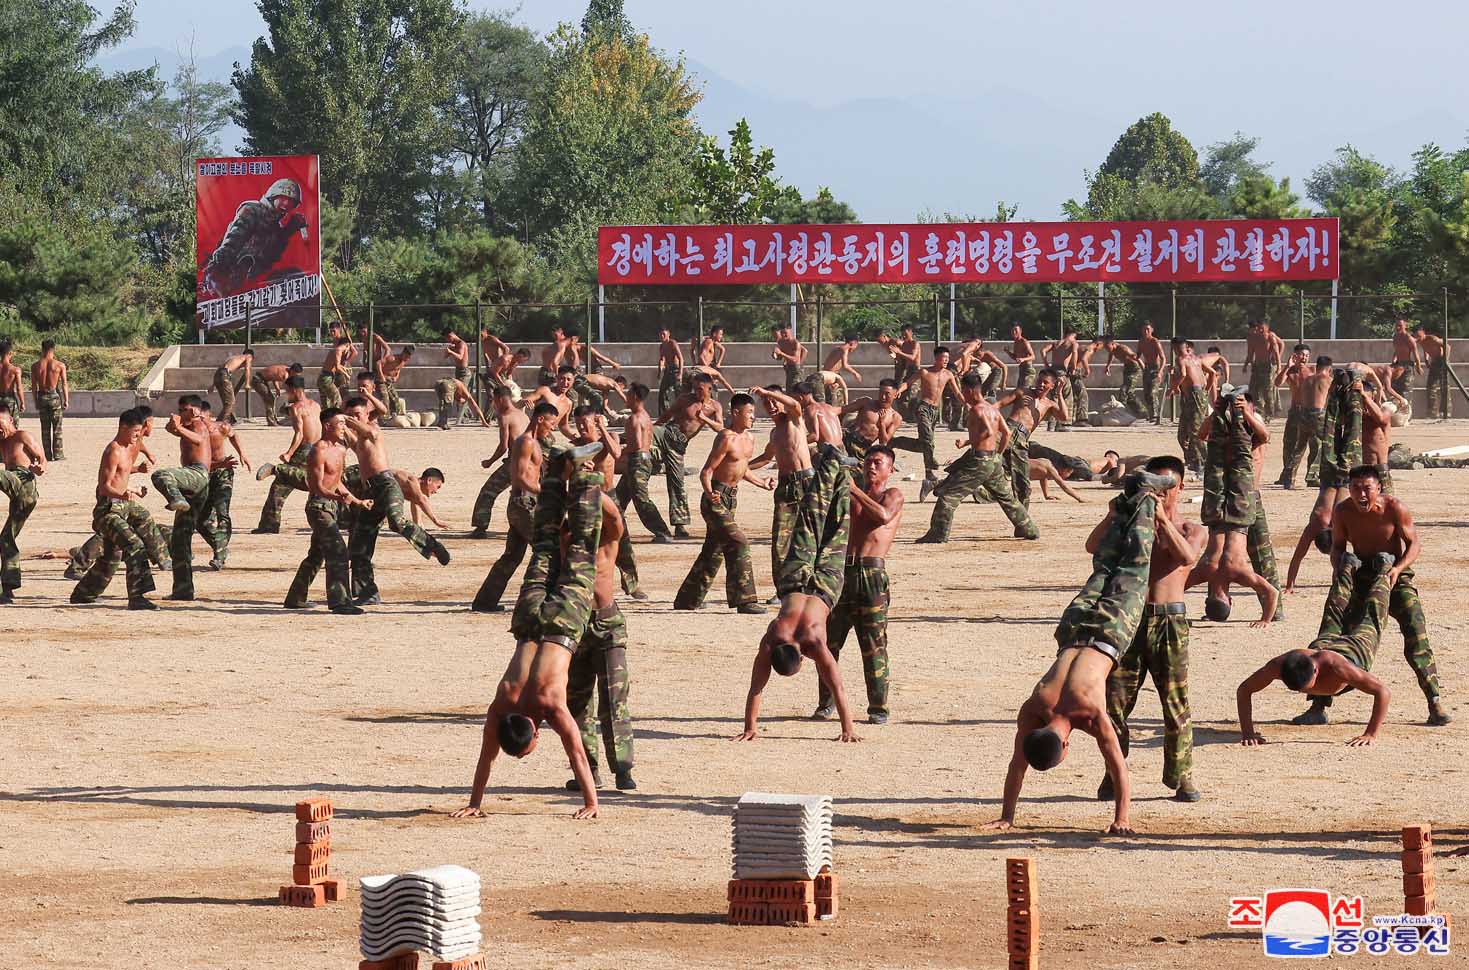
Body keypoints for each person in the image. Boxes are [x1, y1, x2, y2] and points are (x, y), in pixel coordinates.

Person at [980, 467, 1179, 835]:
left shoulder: (1088, 713)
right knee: (1104, 567)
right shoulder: (1032, 709)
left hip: (1109, 632)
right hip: (1073, 628)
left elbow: (1118, 765)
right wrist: (1007, 815)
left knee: (1134, 564)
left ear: (1066, 746)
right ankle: (1127, 500)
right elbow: (1016, 764)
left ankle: (1146, 497)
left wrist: (1122, 819)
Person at [451, 441, 611, 822]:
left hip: (562, 624)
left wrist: (591, 803)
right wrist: (475, 800)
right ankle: (555, 473)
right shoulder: (500, 706)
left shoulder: (549, 705)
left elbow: (576, 752)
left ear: (535, 734)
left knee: (581, 547)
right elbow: (486, 758)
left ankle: (585, 475)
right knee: (544, 545)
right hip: (528, 620)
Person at [1292, 465, 1449, 727]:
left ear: (1378, 488)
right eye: (1355, 488)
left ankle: (1434, 702)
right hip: (1362, 577)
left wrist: (1398, 569)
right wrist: (1340, 571)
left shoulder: (1394, 508)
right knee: (1333, 635)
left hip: (1394, 577)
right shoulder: (1343, 511)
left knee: (1416, 635)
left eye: (1367, 488)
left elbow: (1414, 543)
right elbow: (1338, 547)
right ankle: (1318, 705)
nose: (1361, 494)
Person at [1099, 455, 1205, 803]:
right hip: (1129, 617)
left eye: (1166, 486)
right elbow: (1092, 547)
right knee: (1114, 703)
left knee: (1175, 704)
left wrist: (1161, 519)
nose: (1160, 492)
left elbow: (1187, 557)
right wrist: (1116, 513)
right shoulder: (1132, 524)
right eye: (1154, 485)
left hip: (1169, 620)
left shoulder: (1191, 529)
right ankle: (1114, 774)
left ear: (1180, 487)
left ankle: (1182, 775)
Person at [1236, 549, 1396, 747]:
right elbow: (1244, 690)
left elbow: (1382, 692)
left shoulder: (1340, 668)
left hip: (1354, 651)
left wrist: (1370, 734)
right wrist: (1247, 732)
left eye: (1308, 686)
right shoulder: (1277, 665)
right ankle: (1348, 565)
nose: (1306, 691)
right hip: (1323, 646)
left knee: (1372, 615)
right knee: (1333, 611)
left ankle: (1383, 569)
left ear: (1316, 670)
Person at [816, 445, 902, 725]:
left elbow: (883, 516)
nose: (871, 467)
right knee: (828, 643)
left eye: (878, 463)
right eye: (868, 462)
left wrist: (854, 490)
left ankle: (878, 708)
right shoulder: (850, 494)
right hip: (842, 573)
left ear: (890, 469)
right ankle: (826, 703)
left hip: (871, 575)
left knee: (873, 644)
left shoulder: (892, 495)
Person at [565, 459, 638, 792]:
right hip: (575, 625)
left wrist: (590, 482)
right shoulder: (565, 540)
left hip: (607, 624)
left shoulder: (607, 541)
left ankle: (622, 768)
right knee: (577, 703)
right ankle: (588, 771)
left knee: (614, 699)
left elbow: (615, 517)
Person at [341, 396, 451, 606]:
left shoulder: (373, 430)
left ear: (366, 414)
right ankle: (367, 593)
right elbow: (349, 438)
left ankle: (433, 546)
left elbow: (419, 499)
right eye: (351, 414)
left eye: (357, 415)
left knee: (396, 521)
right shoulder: (360, 440)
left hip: (386, 485)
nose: (354, 418)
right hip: (369, 492)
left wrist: (345, 418)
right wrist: (338, 420)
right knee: (359, 545)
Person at [672, 392, 771, 614]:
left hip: (731, 499)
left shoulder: (750, 439)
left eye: (753, 413)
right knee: (739, 542)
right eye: (749, 413)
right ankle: (745, 600)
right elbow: (706, 471)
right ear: (736, 413)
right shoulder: (726, 438)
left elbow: (742, 469)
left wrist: (762, 483)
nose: (752, 417)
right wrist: (710, 493)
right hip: (715, 497)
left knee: (713, 550)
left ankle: (687, 600)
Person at [1187, 390, 1279, 625]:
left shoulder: (1236, 572)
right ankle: (1226, 413)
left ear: (1229, 599)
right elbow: (1174, 588)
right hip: (1218, 516)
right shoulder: (1204, 572)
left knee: (1233, 454)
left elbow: (1271, 593)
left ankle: (1226, 413)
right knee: (1221, 457)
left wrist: (1265, 619)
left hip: (1237, 514)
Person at [916, 373, 1039, 542]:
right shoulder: (992, 409)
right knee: (1007, 498)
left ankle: (938, 534)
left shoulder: (977, 410)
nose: (963, 395)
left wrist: (969, 442)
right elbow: (1007, 433)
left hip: (979, 461)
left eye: (963, 391)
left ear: (969, 390)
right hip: (992, 460)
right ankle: (1029, 529)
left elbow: (988, 431)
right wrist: (998, 454)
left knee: (948, 497)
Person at [284, 408, 375, 614]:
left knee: (316, 555)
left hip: (332, 506)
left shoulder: (341, 449)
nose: (344, 427)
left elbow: (337, 481)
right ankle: (340, 602)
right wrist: (338, 498)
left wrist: (356, 501)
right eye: (340, 423)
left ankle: (295, 598)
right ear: (327, 426)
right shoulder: (318, 451)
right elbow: (316, 486)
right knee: (338, 550)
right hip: (318, 507)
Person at [471, 402, 558, 612]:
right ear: (540, 419)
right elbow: (518, 477)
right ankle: (542, 601)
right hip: (524, 504)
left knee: (512, 556)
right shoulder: (525, 442)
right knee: (548, 551)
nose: (553, 428)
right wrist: (545, 491)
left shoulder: (536, 443)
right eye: (551, 423)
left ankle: (485, 602)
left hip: (524, 504)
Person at [65, 406, 170, 579]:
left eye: (140, 431)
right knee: (107, 536)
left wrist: (139, 470)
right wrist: (121, 494)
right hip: (109, 502)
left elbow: (123, 471)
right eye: (135, 431)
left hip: (123, 500)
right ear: (123, 427)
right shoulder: (113, 451)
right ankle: (76, 567)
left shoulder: (129, 445)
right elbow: (104, 486)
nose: (138, 435)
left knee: (144, 518)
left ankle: (164, 559)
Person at [151, 396, 219, 601]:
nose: (182, 413)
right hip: (195, 482)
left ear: (195, 411)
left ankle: (175, 498)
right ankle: (183, 589)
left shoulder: (199, 425)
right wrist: (174, 425)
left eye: (185, 410)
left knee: (161, 475)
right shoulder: (188, 425)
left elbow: (199, 440)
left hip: (197, 474)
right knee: (180, 539)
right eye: (180, 409)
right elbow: (171, 430)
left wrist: (179, 427)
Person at [654, 374, 724, 539]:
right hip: (667, 433)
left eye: (700, 389)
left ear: (709, 388)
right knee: (645, 435)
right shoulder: (685, 399)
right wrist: (651, 428)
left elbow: (720, 428)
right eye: (695, 388)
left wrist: (704, 418)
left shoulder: (715, 406)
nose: (696, 392)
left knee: (677, 483)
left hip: (679, 445)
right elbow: (666, 416)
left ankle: (680, 525)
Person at [252, 376, 321, 534]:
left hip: (304, 449)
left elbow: (300, 433)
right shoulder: (315, 405)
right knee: (316, 484)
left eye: (287, 391)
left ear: (294, 390)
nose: (285, 394)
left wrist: (289, 453)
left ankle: (270, 524)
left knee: (280, 485)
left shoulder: (297, 408)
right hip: (318, 448)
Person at [993, 368, 1069, 510]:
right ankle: (952, 478)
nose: (1041, 385)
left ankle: (1020, 512)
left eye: (1045, 382)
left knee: (1019, 474)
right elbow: (998, 405)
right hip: (1009, 430)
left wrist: (1059, 393)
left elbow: (1064, 417)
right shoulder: (1023, 392)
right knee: (981, 456)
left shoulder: (1049, 404)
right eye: (1039, 381)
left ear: (1052, 386)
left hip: (1022, 439)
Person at [892, 346, 960, 501]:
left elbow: (957, 392)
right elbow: (908, 383)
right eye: (943, 357)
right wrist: (900, 390)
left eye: (947, 358)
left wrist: (968, 404)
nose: (946, 360)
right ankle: (929, 475)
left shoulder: (948, 374)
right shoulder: (924, 372)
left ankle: (896, 442)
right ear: (936, 358)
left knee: (924, 444)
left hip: (935, 412)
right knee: (928, 441)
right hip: (923, 408)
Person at [468, 385, 532, 539]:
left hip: (515, 463)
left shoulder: (505, 416)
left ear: (501, 399)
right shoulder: (523, 415)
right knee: (524, 495)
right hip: (530, 462)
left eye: (494, 400)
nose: (494, 404)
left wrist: (489, 462)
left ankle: (480, 527)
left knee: (488, 492)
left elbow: (503, 447)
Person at [614, 382, 673, 546]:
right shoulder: (645, 416)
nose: (625, 397)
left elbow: (637, 445)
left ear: (634, 396)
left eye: (628, 394)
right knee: (619, 498)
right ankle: (611, 530)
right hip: (642, 460)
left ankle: (663, 532)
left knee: (641, 499)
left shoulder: (634, 419)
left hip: (637, 461)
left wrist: (620, 450)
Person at [0, 405, 45, 602]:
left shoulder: (22, 436)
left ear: (10, 420)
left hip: (24, 483)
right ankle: (8, 587)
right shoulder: (1, 442)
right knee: (6, 539)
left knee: (7, 475)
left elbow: (42, 459)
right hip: (15, 495)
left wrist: (40, 467)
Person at [198, 404, 250, 571]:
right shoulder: (194, 434)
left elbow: (233, 435)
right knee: (201, 521)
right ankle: (221, 547)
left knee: (222, 513)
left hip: (223, 474)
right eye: (196, 418)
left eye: (202, 417)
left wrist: (242, 453)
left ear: (209, 415)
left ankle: (219, 556)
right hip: (205, 474)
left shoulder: (221, 427)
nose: (199, 421)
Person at [1276, 348, 1328, 489]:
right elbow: (1277, 383)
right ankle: (1287, 475)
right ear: (1295, 356)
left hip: (1309, 411)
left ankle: (1312, 476)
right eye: (1302, 355)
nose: (1304, 358)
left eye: (1307, 355)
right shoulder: (1290, 372)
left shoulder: (1312, 371)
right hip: (1295, 411)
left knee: (1314, 444)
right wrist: (1287, 366)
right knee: (1289, 443)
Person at [1167, 340, 1210, 477]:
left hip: (1194, 396)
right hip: (1193, 396)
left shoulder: (1181, 359)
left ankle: (1205, 463)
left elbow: (1183, 374)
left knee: (1196, 432)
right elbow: (1212, 373)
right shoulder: (1195, 359)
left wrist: (1172, 388)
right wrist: (1205, 390)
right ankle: (1193, 460)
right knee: (1183, 434)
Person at [842, 381, 903, 459]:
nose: (883, 397)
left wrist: (882, 423)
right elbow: (841, 410)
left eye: (887, 394)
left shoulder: (896, 417)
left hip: (862, 448)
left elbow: (883, 442)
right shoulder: (867, 403)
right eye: (881, 393)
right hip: (848, 438)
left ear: (895, 395)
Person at [29, 339, 67, 460]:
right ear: (53, 349)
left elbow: (34, 386)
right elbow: (64, 384)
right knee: (57, 428)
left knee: (45, 429)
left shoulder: (35, 366)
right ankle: (58, 454)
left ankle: (47, 455)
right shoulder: (59, 365)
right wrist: (66, 400)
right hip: (54, 396)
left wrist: (35, 401)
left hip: (42, 396)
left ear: (42, 349)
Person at [1040, 327, 1080, 430]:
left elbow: (1043, 351)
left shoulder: (1056, 343)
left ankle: (1051, 424)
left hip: (1052, 372)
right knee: (1067, 397)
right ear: (1073, 334)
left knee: (1054, 398)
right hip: (1062, 372)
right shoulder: (1072, 343)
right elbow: (1075, 353)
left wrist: (1046, 364)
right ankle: (1064, 423)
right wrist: (1073, 368)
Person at [1243, 319, 1284, 420]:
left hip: (1268, 366)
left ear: (1266, 328)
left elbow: (1277, 351)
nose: (1260, 330)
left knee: (1268, 390)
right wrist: (1246, 365)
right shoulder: (1252, 338)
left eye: (1262, 328)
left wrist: (1278, 366)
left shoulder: (1270, 336)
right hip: (1257, 365)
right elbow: (1250, 353)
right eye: (1259, 328)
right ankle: (1257, 411)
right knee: (1253, 389)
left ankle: (1269, 414)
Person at [1099, 336, 1144, 418]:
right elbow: (1111, 355)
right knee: (1126, 393)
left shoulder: (1123, 348)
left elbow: (1136, 357)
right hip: (1127, 368)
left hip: (1134, 369)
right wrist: (1108, 366)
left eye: (1108, 347)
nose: (1107, 349)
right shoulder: (1112, 350)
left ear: (1113, 344)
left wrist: (1144, 370)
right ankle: (1128, 411)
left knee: (1126, 391)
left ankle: (1141, 412)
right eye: (1106, 348)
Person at [813, 334, 862, 406]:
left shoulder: (838, 348)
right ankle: (845, 406)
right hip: (830, 376)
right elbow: (845, 365)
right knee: (834, 400)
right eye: (856, 346)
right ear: (853, 343)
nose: (854, 349)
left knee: (830, 399)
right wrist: (855, 373)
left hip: (828, 375)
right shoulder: (844, 349)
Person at [1414, 323, 1450, 420]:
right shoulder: (1420, 341)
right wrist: (1426, 360)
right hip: (1434, 361)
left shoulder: (1433, 338)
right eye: (1416, 336)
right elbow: (1425, 349)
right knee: (1430, 387)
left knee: (1444, 387)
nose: (1418, 338)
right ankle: (1433, 412)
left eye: (1419, 335)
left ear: (1423, 332)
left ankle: (1446, 411)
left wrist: (1445, 360)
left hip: (1442, 360)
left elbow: (1447, 346)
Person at [249, 361, 299, 426]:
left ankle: (273, 420)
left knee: (271, 399)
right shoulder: (285, 375)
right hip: (257, 381)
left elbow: (274, 378)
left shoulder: (285, 368)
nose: (295, 376)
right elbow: (287, 387)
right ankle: (271, 421)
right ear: (292, 371)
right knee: (269, 400)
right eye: (295, 374)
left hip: (261, 380)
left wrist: (277, 389)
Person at [211, 349, 253, 421]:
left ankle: (232, 420)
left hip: (218, 375)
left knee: (227, 401)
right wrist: (247, 384)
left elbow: (220, 369)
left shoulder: (233, 358)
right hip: (225, 375)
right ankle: (219, 422)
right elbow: (247, 369)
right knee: (230, 402)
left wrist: (213, 385)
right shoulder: (248, 356)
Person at [1138, 322, 1167, 424]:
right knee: (1146, 394)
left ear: (1152, 330)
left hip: (1156, 369)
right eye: (1144, 329)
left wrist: (1160, 371)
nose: (1146, 332)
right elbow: (1137, 356)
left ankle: (1155, 415)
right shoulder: (1141, 342)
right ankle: (1151, 414)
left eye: (1148, 329)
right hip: (1147, 369)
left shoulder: (1155, 342)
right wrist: (1141, 366)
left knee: (1152, 392)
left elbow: (1163, 358)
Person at [1390, 318, 1423, 403]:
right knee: (1395, 391)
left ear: (1406, 326)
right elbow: (1396, 350)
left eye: (1400, 326)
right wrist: (1393, 360)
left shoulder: (1409, 338)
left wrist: (1418, 367)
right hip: (1397, 365)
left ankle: (1407, 410)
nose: (1398, 328)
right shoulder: (1395, 337)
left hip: (1407, 366)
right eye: (1396, 326)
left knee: (1406, 392)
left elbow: (1416, 354)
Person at [374, 345, 413, 418]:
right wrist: (382, 376)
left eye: (409, 357)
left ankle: (395, 415)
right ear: (403, 353)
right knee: (385, 398)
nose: (407, 359)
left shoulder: (403, 361)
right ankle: (384, 417)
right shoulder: (392, 358)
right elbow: (378, 363)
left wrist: (396, 377)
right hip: (381, 381)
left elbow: (398, 369)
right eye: (406, 356)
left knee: (395, 398)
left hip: (389, 381)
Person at [317, 335, 354, 409]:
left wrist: (345, 369)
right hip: (326, 379)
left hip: (324, 378)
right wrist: (346, 375)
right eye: (348, 349)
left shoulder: (335, 350)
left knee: (326, 404)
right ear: (347, 345)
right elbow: (337, 367)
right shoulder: (338, 351)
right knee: (337, 400)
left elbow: (336, 365)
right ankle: (336, 415)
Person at [655, 328, 684, 413]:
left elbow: (681, 358)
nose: (662, 336)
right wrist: (659, 371)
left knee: (678, 393)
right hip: (668, 370)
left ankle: (681, 413)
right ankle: (665, 414)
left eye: (664, 334)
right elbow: (662, 359)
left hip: (675, 370)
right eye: (660, 334)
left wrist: (680, 373)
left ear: (668, 334)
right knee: (662, 393)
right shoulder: (662, 346)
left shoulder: (672, 343)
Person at [772, 324, 807, 392]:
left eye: (785, 333)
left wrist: (799, 364)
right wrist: (775, 355)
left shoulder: (795, 343)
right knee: (789, 390)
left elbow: (796, 359)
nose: (783, 335)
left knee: (795, 390)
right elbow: (780, 357)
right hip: (788, 368)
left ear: (790, 331)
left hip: (795, 369)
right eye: (782, 333)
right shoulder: (781, 342)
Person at [1005, 323, 1036, 391]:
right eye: (1012, 330)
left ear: (1020, 331)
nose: (1014, 332)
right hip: (1021, 369)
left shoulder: (1024, 342)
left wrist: (1023, 359)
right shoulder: (1016, 343)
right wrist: (1008, 352)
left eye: (1016, 330)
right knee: (1018, 391)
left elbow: (1033, 356)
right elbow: (1015, 357)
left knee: (1024, 391)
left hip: (1028, 369)